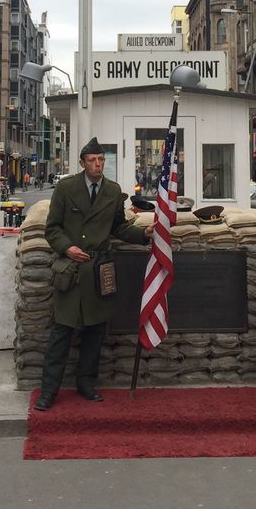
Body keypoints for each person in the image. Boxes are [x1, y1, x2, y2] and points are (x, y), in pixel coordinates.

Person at [34, 137, 152, 411]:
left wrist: (143, 235)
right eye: (92, 161)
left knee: (95, 333)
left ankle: (86, 384)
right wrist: (68, 248)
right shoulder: (66, 188)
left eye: (101, 160)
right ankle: (49, 390)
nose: (98, 165)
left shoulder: (112, 191)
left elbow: (118, 228)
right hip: (72, 270)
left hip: (99, 271)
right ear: (82, 163)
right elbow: (52, 229)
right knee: (61, 333)